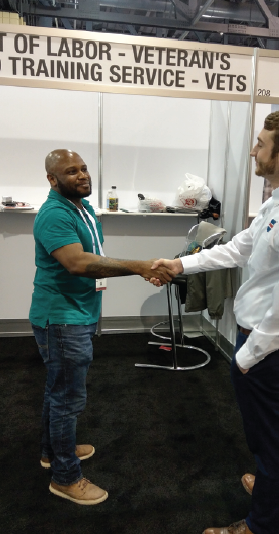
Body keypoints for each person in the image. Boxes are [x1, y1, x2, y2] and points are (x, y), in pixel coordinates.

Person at [150, 109, 279, 534]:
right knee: (264, 430)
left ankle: (263, 530)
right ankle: (275, 492)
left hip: (269, 344)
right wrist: (181, 264)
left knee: (268, 435)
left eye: (261, 143)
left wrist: (246, 358)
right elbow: (237, 249)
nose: (254, 150)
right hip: (259, 340)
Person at [30, 149, 175, 505]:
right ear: (52, 179)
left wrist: (140, 270)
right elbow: (78, 263)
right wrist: (139, 266)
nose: (82, 175)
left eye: (83, 168)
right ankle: (65, 477)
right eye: (71, 171)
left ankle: (52, 452)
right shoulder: (54, 214)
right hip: (62, 318)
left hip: (76, 312)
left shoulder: (82, 208)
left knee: (58, 389)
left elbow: (96, 256)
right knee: (68, 398)